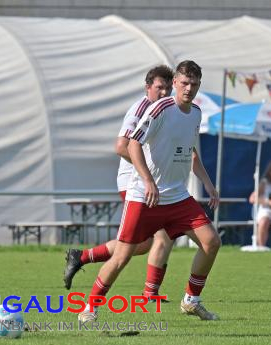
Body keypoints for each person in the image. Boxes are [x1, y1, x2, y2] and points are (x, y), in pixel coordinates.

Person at [78, 60, 221, 323]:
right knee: (123, 255)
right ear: (175, 83)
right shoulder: (160, 109)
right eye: (184, 83)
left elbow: (189, 152)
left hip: (177, 196)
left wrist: (209, 184)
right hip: (144, 197)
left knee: (211, 242)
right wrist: (147, 181)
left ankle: (191, 301)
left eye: (195, 84)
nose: (189, 89)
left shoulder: (197, 113)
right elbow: (132, 145)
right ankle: (90, 306)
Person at [64, 65, 175, 302]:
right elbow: (122, 146)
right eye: (159, 87)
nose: (164, 92)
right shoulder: (141, 108)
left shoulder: (166, 110)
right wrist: (148, 175)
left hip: (149, 181)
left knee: (144, 242)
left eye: (168, 87)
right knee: (161, 234)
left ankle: (82, 256)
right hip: (135, 182)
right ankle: (149, 293)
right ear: (148, 88)